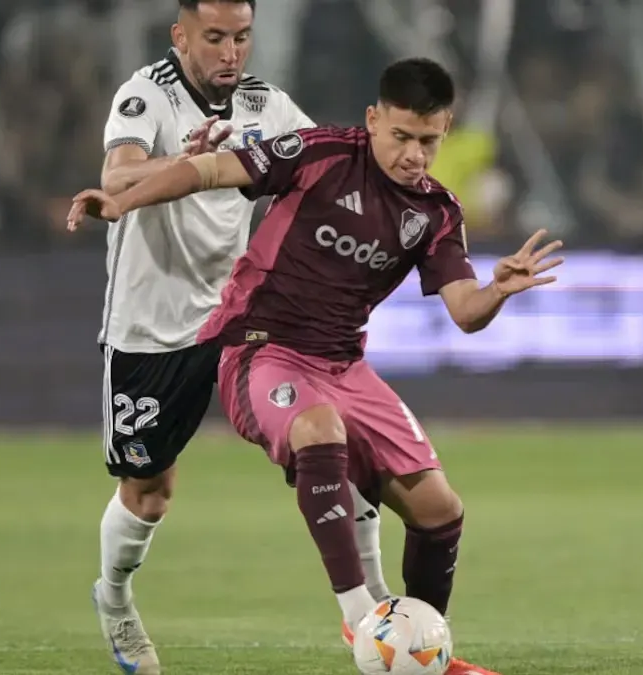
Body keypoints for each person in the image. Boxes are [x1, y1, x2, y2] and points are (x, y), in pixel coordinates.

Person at [70, 57, 563, 675]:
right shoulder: (319, 152)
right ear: (373, 119)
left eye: (429, 141)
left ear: (446, 132)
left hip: (342, 364)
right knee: (315, 429)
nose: (415, 155)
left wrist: (498, 289)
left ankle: (420, 651)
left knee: (441, 511)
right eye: (402, 137)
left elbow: (465, 312)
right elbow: (206, 169)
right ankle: (363, 619)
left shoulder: (437, 212)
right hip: (259, 347)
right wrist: (125, 202)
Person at [85, 1, 394, 673]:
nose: (232, 52)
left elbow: (328, 169)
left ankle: (375, 612)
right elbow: (116, 176)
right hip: (151, 328)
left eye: (242, 37)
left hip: (244, 320)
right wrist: (178, 164)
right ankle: (114, 598)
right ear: (181, 36)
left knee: (330, 440)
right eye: (216, 37)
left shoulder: (266, 104)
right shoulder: (147, 96)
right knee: (149, 492)